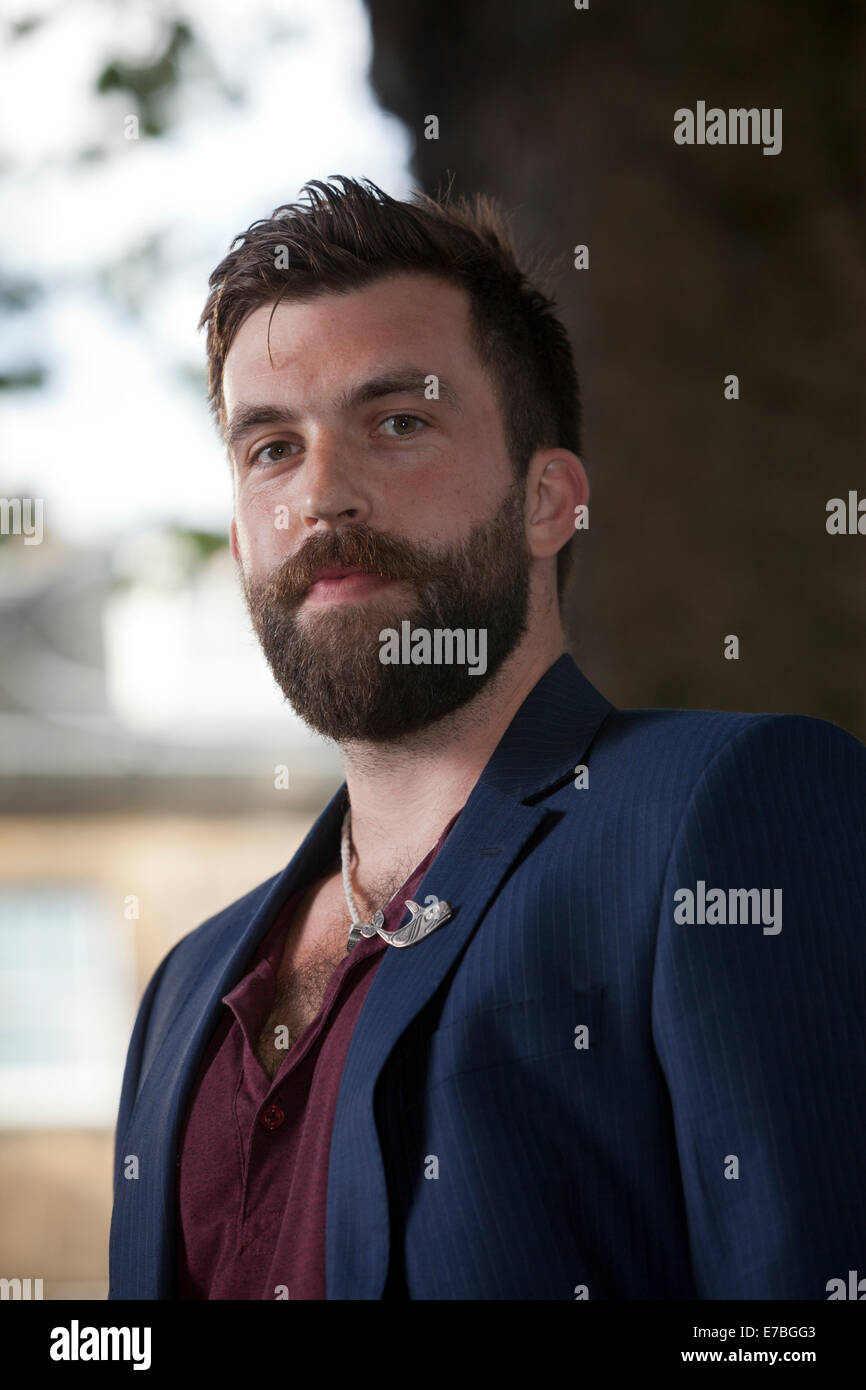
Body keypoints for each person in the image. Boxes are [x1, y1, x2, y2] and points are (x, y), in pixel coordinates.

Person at [109, 176, 866, 1300]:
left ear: (547, 499)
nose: (323, 495)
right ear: (237, 540)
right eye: (271, 447)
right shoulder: (184, 986)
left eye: (398, 422)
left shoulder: (729, 810)